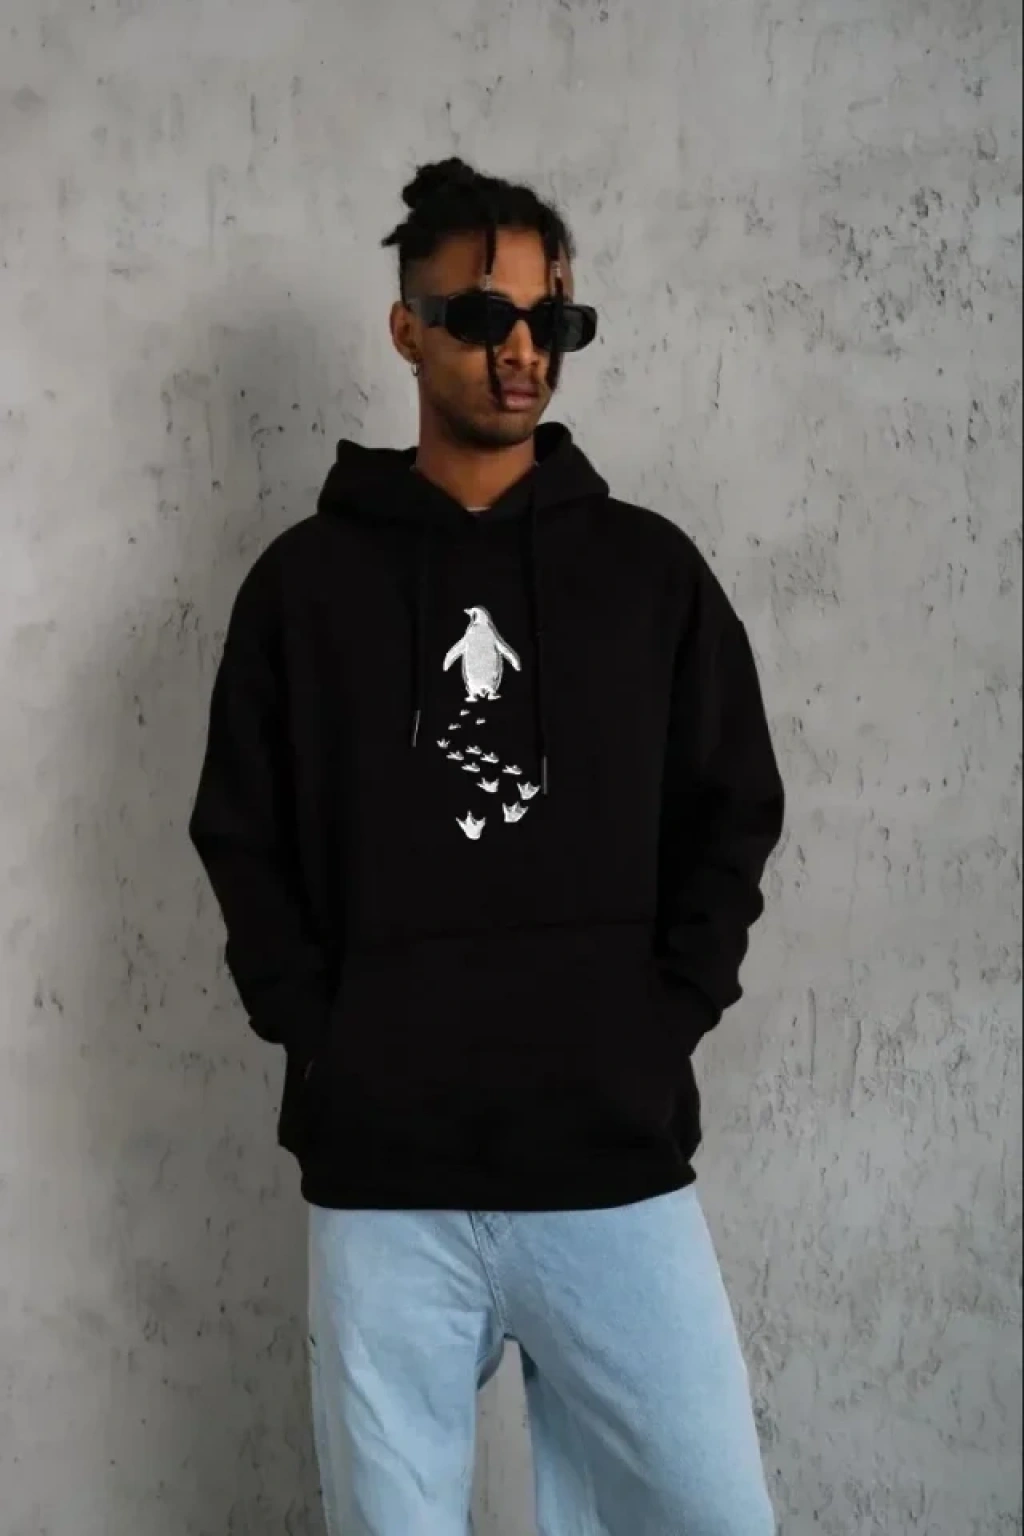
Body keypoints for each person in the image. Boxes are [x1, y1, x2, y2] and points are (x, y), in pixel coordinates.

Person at [188, 156, 785, 1535]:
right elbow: (240, 832)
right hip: (388, 1183)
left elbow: (733, 807)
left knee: (712, 1515)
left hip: (611, 1161)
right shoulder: (305, 588)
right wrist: (328, 1035)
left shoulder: (648, 574)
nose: (521, 352)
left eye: (551, 322)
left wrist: (658, 1023)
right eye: (481, 317)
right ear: (407, 328)